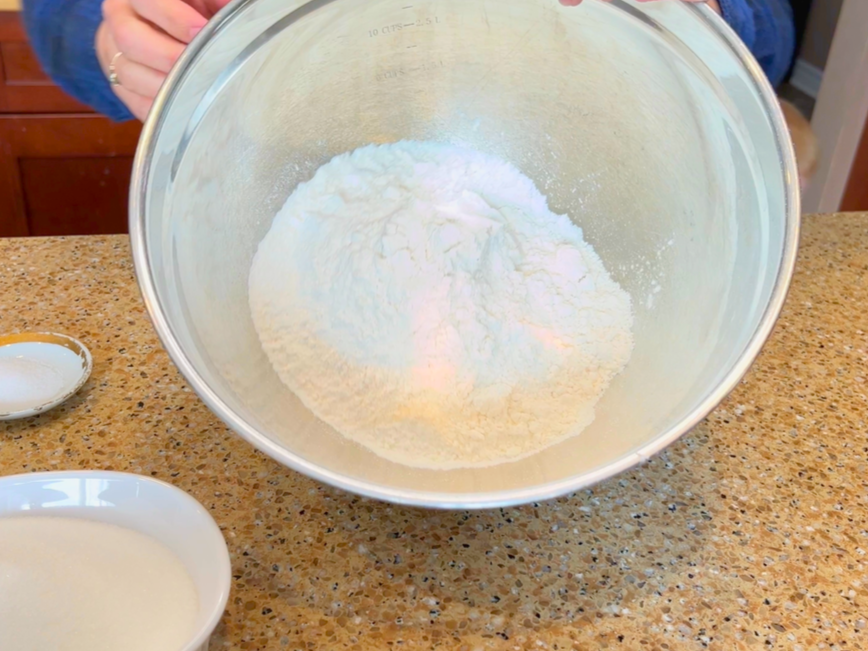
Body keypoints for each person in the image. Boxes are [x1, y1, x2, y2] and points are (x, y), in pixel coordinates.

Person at [24, 0, 796, 123]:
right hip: (264, 174)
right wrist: (114, 38)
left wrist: (705, 19)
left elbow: (768, 31)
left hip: (580, 158)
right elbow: (54, 18)